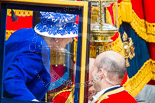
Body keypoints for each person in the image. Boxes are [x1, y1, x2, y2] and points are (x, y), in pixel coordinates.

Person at [3, 11, 78, 101]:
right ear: (57, 38)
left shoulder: (25, 33)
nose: (71, 40)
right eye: (70, 36)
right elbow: (12, 80)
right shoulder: (38, 49)